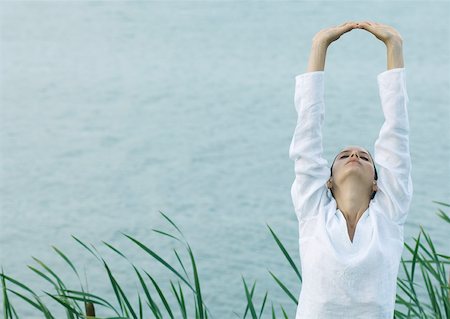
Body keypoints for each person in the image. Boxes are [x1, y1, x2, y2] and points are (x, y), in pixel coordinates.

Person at [288, 21, 413, 318]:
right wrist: (320, 45)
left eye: (365, 157)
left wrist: (394, 45)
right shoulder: (313, 213)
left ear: (376, 184)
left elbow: (397, 134)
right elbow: (307, 134)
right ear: (328, 181)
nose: (355, 154)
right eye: (344, 154)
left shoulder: (389, 215)